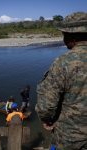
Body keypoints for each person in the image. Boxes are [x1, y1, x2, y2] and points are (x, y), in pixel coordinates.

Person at [35, 12, 87, 150]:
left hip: (71, 138)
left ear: (71, 37)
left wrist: (47, 120)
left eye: (64, 35)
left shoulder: (64, 62)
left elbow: (46, 106)